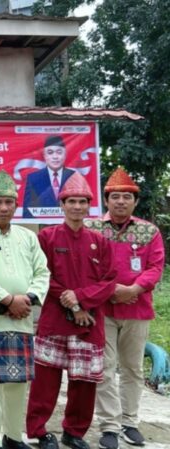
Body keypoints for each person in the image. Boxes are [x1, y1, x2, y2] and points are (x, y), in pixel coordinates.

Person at [26, 172, 116, 449]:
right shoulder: (47, 237)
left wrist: (80, 298)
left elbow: (109, 282)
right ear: (62, 205)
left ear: (89, 206)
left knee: (84, 383)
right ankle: (38, 431)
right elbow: (40, 275)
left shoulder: (100, 242)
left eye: (82, 202)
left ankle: (74, 432)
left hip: (90, 322)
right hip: (54, 320)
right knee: (45, 381)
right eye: (71, 202)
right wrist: (73, 303)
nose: (77, 206)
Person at [85, 167, 165, 449]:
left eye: (126, 197)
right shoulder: (92, 228)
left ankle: (130, 422)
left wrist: (134, 289)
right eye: (115, 197)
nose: (120, 201)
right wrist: (110, 291)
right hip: (102, 310)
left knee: (132, 368)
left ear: (135, 201)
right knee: (104, 368)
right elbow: (85, 267)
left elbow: (155, 266)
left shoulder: (149, 231)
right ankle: (109, 426)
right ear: (106, 200)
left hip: (137, 309)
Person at [0, 170, 50, 449]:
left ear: (16, 206)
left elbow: (42, 272)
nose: (4, 208)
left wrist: (29, 298)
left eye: (9, 202)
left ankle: (13, 437)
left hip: (21, 320)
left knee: (19, 383)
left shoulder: (28, 237)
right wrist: (7, 300)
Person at [22, 135, 76, 218]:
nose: (55, 157)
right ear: (44, 155)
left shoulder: (74, 177)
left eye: (59, 152)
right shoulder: (33, 178)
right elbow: (27, 212)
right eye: (50, 153)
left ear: (65, 154)